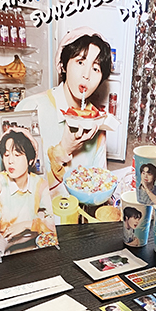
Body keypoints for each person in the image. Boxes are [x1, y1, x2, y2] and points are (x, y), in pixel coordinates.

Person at [15, 27, 114, 194]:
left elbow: (99, 185)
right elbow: (18, 188)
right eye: (80, 62)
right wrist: (64, 149)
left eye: (96, 68)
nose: (87, 75)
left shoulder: (98, 123)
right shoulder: (30, 109)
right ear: (63, 65)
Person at [0, 129, 56, 255]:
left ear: (30, 160)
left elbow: (54, 223)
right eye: (6, 155)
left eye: (17, 155)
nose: (10, 161)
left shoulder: (40, 185)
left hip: (32, 243)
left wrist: (28, 224)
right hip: (3, 245)